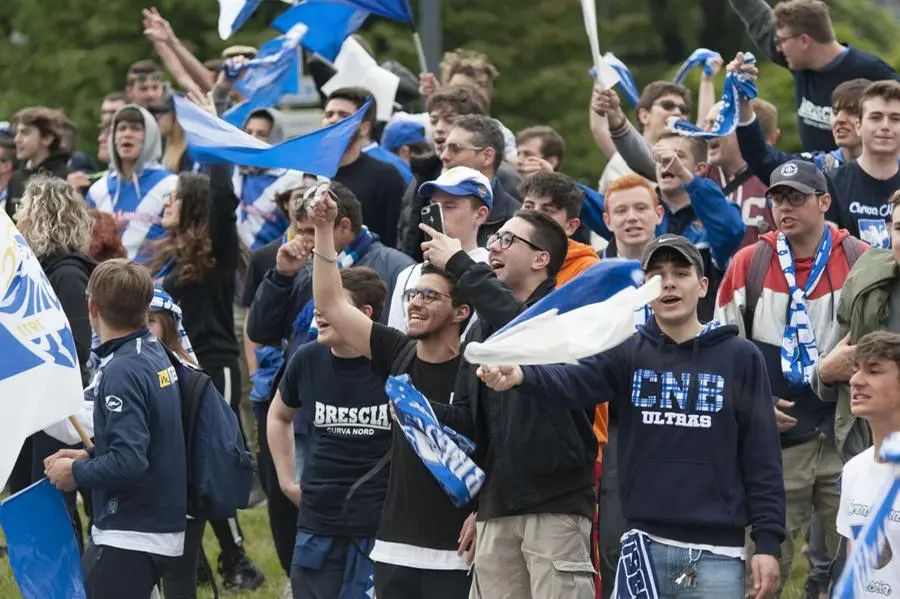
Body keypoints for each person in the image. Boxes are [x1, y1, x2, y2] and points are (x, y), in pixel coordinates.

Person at [476, 234, 785, 599]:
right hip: (643, 545)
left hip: (716, 552)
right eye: (656, 275)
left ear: (702, 286)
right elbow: (573, 381)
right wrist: (523, 374)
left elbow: (762, 455)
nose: (668, 283)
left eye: (680, 273)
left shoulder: (740, 357)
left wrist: (767, 543)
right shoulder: (627, 352)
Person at [302, 186, 476, 597]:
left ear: (461, 312)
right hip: (395, 546)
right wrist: (323, 230)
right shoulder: (398, 351)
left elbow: (500, 447)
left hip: (459, 551)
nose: (415, 303)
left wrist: (485, 511)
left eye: (430, 296)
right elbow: (330, 302)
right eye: (413, 294)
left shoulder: (480, 367)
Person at [422, 209, 598, 599]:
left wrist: (458, 262)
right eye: (492, 240)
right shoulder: (481, 330)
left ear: (541, 259)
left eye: (506, 240)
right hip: (496, 508)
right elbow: (472, 421)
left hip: (555, 506)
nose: (493, 248)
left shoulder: (567, 312)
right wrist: (422, 411)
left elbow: (527, 333)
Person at [716, 159, 868, 596]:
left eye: (797, 198)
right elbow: (721, 355)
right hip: (776, 448)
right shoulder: (750, 263)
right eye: (778, 198)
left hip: (848, 440)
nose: (785, 206)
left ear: (824, 202)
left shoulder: (859, 260)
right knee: (765, 576)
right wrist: (752, 405)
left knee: (866, 570)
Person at [146, 137, 265, 590]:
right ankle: (196, 558)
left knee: (208, 463)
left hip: (215, 367)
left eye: (174, 197)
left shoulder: (213, 247)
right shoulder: (173, 255)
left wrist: (213, 133)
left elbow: (222, 196)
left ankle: (237, 560)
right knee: (187, 467)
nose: (166, 203)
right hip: (179, 366)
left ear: (193, 205)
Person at [44, 259, 186, 599]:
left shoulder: (123, 369)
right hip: (155, 524)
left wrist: (76, 472)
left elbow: (131, 461)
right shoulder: (152, 352)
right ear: (146, 306)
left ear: (91, 308)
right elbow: (147, 439)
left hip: (132, 533)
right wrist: (90, 452)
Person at [268, 265, 392, 599]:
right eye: (318, 307)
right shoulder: (307, 359)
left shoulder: (394, 362)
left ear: (364, 313)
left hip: (377, 526)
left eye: (331, 306)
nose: (319, 315)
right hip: (317, 520)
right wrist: (286, 480)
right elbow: (278, 415)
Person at [9, 175, 97, 552]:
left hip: (59, 412)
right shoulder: (37, 272)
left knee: (50, 504)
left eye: (24, 207)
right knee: (32, 497)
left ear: (43, 215)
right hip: (37, 407)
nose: (17, 215)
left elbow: (76, 348)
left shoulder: (67, 274)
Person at [246, 181, 413, 353]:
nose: (303, 241)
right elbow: (260, 332)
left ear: (345, 227)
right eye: (299, 231)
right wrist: (281, 277)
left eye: (312, 231)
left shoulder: (396, 268)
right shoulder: (305, 268)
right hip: (303, 377)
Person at [728, 0, 897, 152]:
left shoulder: (873, 72)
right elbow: (760, 21)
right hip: (818, 180)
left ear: (804, 41)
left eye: (782, 41)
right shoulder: (800, 62)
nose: (778, 48)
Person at [835, 331, 900, 598]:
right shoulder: (854, 470)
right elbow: (855, 564)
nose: (855, 381)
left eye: (873, 371)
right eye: (855, 370)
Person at [387, 166, 490, 334]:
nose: (438, 215)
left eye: (450, 206)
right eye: (433, 206)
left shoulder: (494, 270)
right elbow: (397, 343)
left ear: (480, 215)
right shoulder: (408, 275)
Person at [85, 104, 178, 263]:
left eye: (135, 129)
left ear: (150, 136)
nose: (127, 134)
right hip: (105, 281)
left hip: (152, 281)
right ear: (113, 138)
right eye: (122, 129)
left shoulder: (171, 185)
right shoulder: (97, 190)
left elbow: (179, 240)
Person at [323, 87, 407, 248]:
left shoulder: (386, 176)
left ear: (364, 128)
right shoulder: (308, 174)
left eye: (344, 115)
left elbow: (394, 240)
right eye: (329, 114)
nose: (333, 120)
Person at [825, 80, 900, 248]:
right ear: (858, 126)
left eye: (895, 118)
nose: (885, 126)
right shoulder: (831, 184)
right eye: (876, 117)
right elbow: (827, 252)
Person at [595, 81, 691, 193]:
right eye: (668, 106)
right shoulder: (620, 163)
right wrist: (615, 117)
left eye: (683, 109)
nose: (677, 112)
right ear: (644, 116)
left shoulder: (692, 160)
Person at [519, 172, 599, 286]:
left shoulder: (587, 270)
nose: (533, 215)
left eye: (547, 211)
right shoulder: (502, 253)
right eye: (528, 207)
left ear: (571, 226)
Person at [6, 106, 71, 217]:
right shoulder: (15, 178)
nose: (17, 139)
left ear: (47, 138)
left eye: (25, 133)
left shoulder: (65, 178)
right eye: (17, 133)